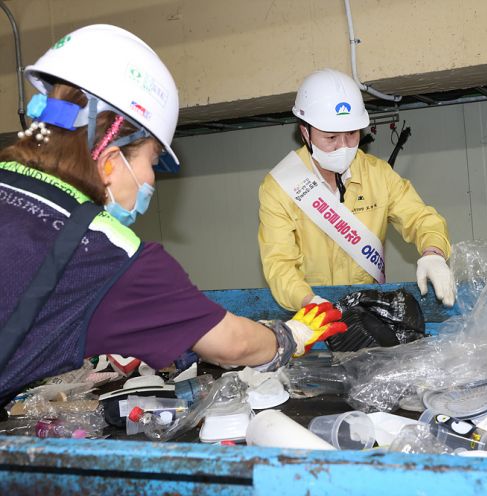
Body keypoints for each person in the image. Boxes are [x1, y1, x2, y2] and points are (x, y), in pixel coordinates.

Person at [0, 25, 345, 406]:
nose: (151, 180)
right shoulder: (106, 253)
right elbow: (233, 345)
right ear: (112, 161)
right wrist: (289, 337)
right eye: (151, 161)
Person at [258, 69, 455, 311]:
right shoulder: (280, 186)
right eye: (331, 138)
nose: (344, 146)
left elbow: (420, 218)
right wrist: (309, 301)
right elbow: (279, 263)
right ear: (305, 133)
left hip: (367, 310)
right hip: (310, 309)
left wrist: (433, 253)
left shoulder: (378, 174)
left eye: (352, 134)